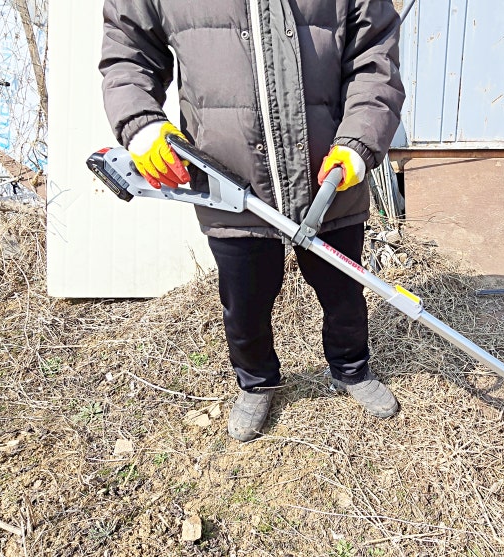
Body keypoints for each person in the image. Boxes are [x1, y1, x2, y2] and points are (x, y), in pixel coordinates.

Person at [100, 0, 406, 441]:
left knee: (343, 292)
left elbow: (374, 57)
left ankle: (351, 368)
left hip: (328, 174)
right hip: (229, 182)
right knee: (244, 302)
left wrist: (359, 141)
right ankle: (257, 381)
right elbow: (128, 51)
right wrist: (141, 123)